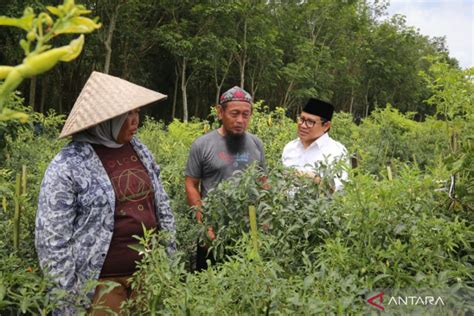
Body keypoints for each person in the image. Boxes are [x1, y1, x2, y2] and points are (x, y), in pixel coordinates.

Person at [35, 71, 176, 315]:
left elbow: (161, 204)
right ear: (105, 119)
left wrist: (170, 257)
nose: (135, 122)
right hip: (99, 286)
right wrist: (67, 299)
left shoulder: (139, 149)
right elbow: (52, 239)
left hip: (149, 277)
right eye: (127, 114)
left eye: (137, 112)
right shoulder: (68, 165)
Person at [185, 86, 266, 270]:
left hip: (247, 232)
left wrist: (266, 222)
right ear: (220, 112)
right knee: (208, 285)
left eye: (246, 115)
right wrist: (203, 223)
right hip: (212, 230)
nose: (240, 120)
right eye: (234, 113)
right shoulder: (202, 145)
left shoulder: (256, 144)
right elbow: (191, 184)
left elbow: (263, 183)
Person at [282, 98, 349, 191]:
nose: (303, 125)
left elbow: (338, 191)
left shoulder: (337, 152)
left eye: (310, 122)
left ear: (326, 126)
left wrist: (313, 179)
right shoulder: (290, 147)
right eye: (301, 119)